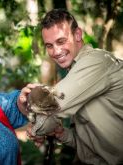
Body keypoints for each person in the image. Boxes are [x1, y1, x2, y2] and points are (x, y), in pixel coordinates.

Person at [27, 8, 123, 165]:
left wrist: (36, 129)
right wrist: (63, 134)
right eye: (49, 45)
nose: (56, 51)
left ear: (78, 34)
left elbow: (48, 107)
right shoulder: (73, 72)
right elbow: (90, 146)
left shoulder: (95, 62)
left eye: (61, 41)